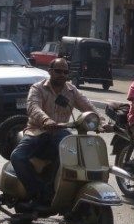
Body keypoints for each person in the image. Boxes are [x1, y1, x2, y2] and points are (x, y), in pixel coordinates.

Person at [10, 57, 98, 207]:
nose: (62, 75)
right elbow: (33, 107)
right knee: (17, 156)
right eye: (58, 71)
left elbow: (88, 106)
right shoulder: (38, 88)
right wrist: (46, 120)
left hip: (60, 133)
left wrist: (100, 122)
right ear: (50, 71)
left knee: (76, 154)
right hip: (37, 131)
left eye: (65, 72)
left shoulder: (71, 90)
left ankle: (62, 190)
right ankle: (38, 192)